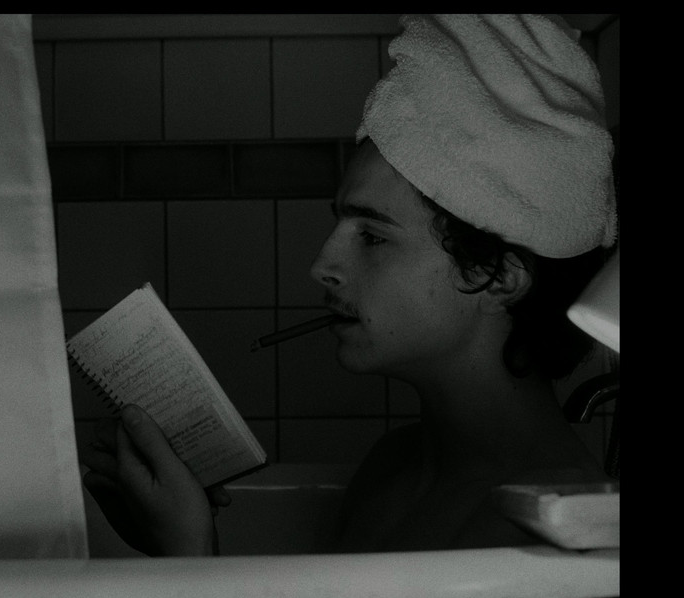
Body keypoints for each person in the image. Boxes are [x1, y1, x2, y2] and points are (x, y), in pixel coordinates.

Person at [79, 14, 618, 556]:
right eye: (340, 224)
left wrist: (187, 553)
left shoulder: (557, 529)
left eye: (372, 237)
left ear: (498, 277)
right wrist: (178, 540)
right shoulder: (392, 466)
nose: (321, 266)